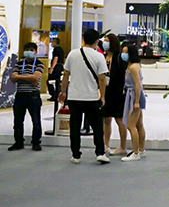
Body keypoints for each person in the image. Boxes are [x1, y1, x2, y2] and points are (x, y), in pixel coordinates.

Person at [58, 28, 109, 164]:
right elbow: (102, 78)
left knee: (75, 127)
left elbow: (66, 75)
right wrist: (102, 96)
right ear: (97, 41)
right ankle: (100, 152)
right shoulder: (98, 56)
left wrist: (63, 91)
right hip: (91, 97)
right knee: (97, 127)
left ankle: (76, 155)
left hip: (74, 97)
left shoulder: (72, 54)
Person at [8, 42, 44, 151]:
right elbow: (13, 78)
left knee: (36, 121)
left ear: (36, 52)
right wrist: (30, 78)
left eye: (31, 50)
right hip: (20, 95)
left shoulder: (39, 64)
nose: (29, 52)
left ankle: (36, 143)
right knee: (18, 121)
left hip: (33, 96)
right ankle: (18, 142)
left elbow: (35, 77)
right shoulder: (19, 64)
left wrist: (20, 77)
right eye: (27, 49)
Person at [102, 34, 127, 156]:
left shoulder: (119, 57)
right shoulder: (103, 57)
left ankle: (123, 146)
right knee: (106, 119)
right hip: (105, 91)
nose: (104, 43)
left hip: (117, 92)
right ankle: (106, 144)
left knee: (119, 119)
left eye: (107, 41)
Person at [120, 44, 146, 162]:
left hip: (135, 96)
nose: (123, 54)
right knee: (139, 124)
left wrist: (136, 101)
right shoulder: (131, 65)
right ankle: (141, 149)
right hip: (133, 95)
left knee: (131, 125)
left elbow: (137, 84)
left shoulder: (133, 67)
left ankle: (135, 152)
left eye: (126, 52)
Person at [47, 37, 64, 101]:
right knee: (57, 82)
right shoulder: (61, 49)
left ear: (55, 42)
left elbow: (55, 59)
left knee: (49, 81)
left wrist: (52, 68)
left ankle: (53, 94)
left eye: (52, 42)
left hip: (56, 67)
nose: (51, 43)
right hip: (60, 66)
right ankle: (56, 95)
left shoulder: (56, 49)